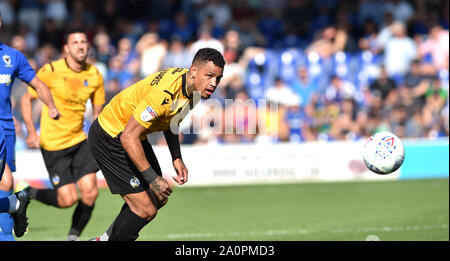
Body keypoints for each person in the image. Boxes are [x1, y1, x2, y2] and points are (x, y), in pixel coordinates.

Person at [88, 47, 224, 241]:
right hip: (111, 135)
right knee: (145, 209)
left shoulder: (193, 91)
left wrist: (176, 157)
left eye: (218, 78)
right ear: (193, 71)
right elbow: (128, 137)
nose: (213, 83)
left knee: (158, 198)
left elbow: (171, 121)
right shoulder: (164, 94)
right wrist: (152, 178)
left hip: (132, 135)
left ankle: (102, 240)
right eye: (209, 75)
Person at [20, 28, 105, 241]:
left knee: (90, 192)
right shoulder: (50, 70)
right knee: (67, 200)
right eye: (75, 42)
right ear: (66, 48)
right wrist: (31, 131)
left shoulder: (94, 74)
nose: (81, 45)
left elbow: (98, 108)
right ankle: (29, 193)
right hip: (54, 144)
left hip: (80, 141)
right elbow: (25, 99)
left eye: (84, 41)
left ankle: (72, 238)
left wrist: (95, 127)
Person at [0, 11, 60, 241]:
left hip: (4, 128)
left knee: (5, 181)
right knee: (4, 181)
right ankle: (15, 204)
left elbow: (38, 84)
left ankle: (6, 234)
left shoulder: (12, 57)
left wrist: (51, 106)